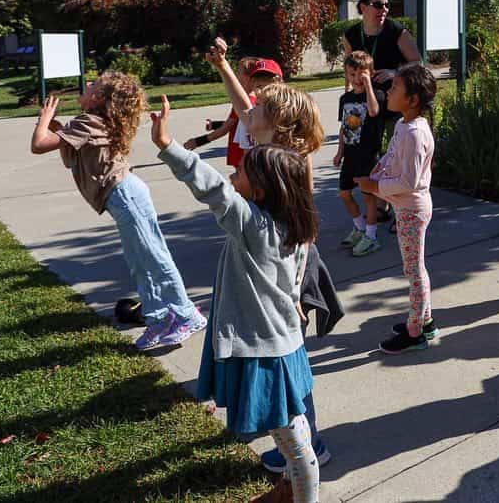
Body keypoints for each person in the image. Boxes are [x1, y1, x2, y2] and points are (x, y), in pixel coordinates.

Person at [149, 97, 320, 502]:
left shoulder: (253, 225)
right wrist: (294, 299)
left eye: (241, 170)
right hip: (282, 342)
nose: (233, 171)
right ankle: (289, 490)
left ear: (259, 190)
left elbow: (213, 189)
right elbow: (295, 276)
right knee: (292, 431)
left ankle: (305, 496)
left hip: (266, 350)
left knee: (293, 439)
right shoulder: (289, 225)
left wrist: (167, 145)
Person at [30, 72, 205, 350]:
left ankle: (186, 314)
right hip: (122, 198)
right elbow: (69, 159)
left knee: (154, 257)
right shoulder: (90, 123)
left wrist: (43, 120)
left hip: (126, 196)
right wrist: (56, 126)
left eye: (93, 85)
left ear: (99, 98)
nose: (87, 86)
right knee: (140, 263)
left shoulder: (88, 122)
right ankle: (158, 318)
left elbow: (37, 146)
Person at [356, 63, 438, 354]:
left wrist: (375, 188)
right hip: (404, 207)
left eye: (394, 88)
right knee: (414, 268)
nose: (388, 92)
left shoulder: (415, 133)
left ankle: (415, 331)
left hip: (412, 210)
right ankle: (423, 319)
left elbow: (408, 180)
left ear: (412, 99)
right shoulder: (405, 125)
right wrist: (374, 176)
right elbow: (392, 159)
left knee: (414, 271)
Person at [333, 50, 387, 256]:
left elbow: (373, 111)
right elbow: (344, 127)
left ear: (370, 74)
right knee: (344, 193)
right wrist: (340, 152)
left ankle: (372, 236)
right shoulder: (344, 99)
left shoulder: (377, 95)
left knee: (368, 197)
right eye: (352, 74)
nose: (356, 79)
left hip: (368, 155)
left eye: (361, 74)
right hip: (350, 154)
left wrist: (369, 85)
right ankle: (360, 227)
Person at [185, 57, 271, 167]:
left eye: (238, 72)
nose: (236, 75)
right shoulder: (257, 101)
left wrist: (198, 141)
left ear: (248, 78)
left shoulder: (242, 103)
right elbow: (239, 123)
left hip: (241, 152)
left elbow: (226, 128)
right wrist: (215, 124)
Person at [341, 0, 422, 94]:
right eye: (378, 5)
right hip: (364, 96)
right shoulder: (350, 35)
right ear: (363, 7)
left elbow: (418, 62)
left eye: (387, 5)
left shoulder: (398, 32)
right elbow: (348, 68)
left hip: (393, 96)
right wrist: (347, 91)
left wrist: (395, 72)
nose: (384, 9)